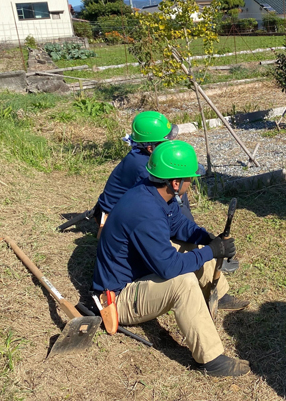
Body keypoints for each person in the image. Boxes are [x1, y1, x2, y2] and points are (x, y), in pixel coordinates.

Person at [92, 140, 251, 377]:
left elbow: (178, 224)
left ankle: (218, 293)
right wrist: (211, 251)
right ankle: (210, 359)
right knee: (183, 282)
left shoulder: (155, 192)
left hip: (139, 273)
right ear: (175, 182)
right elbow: (169, 268)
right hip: (116, 298)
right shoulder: (144, 211)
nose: (191, 183)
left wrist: (207, 239)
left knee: (197, 246)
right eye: (189, 178)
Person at [96, 111, 239, 272]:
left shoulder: (155, 179)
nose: (171, 142)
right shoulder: (144, 179)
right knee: (183, 277)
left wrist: (204, 237)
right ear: (150, 147)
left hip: (130, 221)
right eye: (166, 140)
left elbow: (177, 220)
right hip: (117, 229)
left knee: (189, 242)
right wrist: (211, 251)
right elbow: (168, 267)